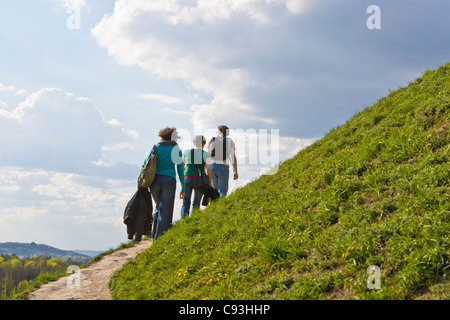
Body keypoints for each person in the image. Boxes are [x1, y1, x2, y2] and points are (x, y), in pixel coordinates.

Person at [137, 127, 185, 240]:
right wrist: (183, 186)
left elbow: (146, 163)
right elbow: (180, 170)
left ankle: (154, 235)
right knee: (166, 209)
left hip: (154, 181)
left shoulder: (156, 147)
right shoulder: (176, 150)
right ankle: (161, 238)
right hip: (169, 180)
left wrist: (140, 179)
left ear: (162, 137)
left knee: (158, 207)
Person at [181, 135, 213, 219]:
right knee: (196, 202)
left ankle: (184, 221)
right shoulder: (206, 154)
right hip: (200, 180)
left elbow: (182, 165)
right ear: (204, 143)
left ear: (193, 142)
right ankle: (194, 221)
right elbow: (209, 168)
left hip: (187, 178)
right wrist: (210, 183)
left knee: (185, 202)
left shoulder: (186, 152)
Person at [207, 125, 238, 197]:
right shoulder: (230, 141)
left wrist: (206, 169)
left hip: (212, 167)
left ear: (219, 131)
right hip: (223, 166)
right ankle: (221, 207)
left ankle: (214, 207)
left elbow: (207, 156)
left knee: (214, 191)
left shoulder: (212, 140)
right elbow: (233, 157)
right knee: (222, 192)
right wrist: (235, 171)